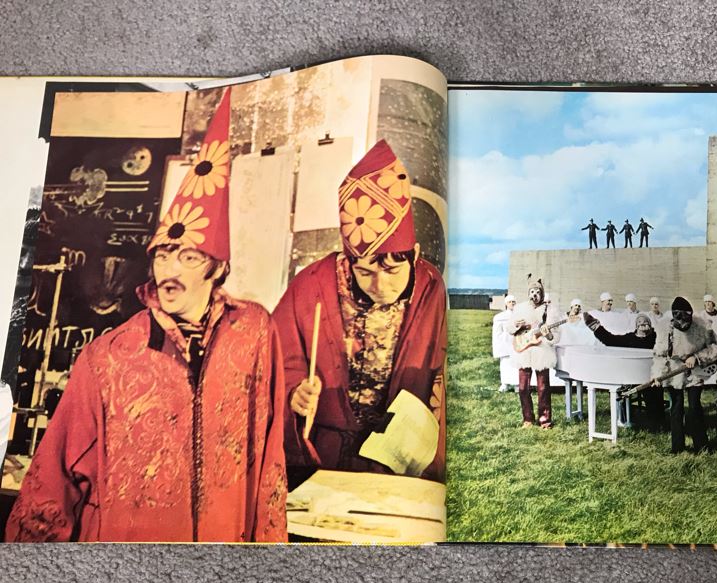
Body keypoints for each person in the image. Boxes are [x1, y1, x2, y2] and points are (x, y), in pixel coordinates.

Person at [6, 89, 288, 543]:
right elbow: (52, 481)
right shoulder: (110, 358)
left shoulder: (254, 333)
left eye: (189, 259)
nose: (170, 272)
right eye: (163, 256)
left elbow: (269, 457)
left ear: (217, 268)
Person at [273, 140, 447, 486]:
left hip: (400, 456)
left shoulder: (432, 288)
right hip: (323, 456)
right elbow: (276, 357)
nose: (379, 286)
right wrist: (295, 390)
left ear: (414, 255)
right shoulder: (311, 284)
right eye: (365, 273)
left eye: (393, 273)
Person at [651, 297, 717, 453]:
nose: (684, 326)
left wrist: (697, 358)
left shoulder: (703, 326)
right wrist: (657, 375)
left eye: (686, 323)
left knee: (694, 407)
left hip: (695, 372)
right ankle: (677, 448)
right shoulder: (665, 329)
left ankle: (702, 446)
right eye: (680, 324)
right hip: (674, 371)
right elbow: (659, 355)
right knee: (676, 409)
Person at [587, 312, 665, 429]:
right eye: (639, 322)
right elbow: (610, 340)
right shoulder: (630, 338)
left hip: (651, 376)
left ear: (650, 325)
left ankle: (657, 422)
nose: (642, 323)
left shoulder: (656, 338)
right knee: (623, 389)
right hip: (632, 376)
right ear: (636, 326)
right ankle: (624, 418)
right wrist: (596, 328)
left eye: (645, 322)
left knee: (655, 391)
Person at [508, 276, 561, 429]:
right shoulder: (520, 308)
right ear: (528, 293)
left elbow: (555, 335)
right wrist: (516, 325)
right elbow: (510, 327)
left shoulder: (549, 310)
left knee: (543, 387)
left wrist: (548, 335)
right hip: (523, 349)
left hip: (542, 351)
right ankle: (528, 419)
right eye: (532, 291)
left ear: (542, 294)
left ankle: (545, 420)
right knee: (523, 387)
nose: (535, 294)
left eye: (538, 292)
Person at [492, 294, 518, 392]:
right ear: (506, 304)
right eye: (510, 302)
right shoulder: (500, 317)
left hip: (516, 344)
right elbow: (497, 333)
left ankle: (517, 384)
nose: (512, 304)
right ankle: (505, 384)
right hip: (505, 344)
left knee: (516, 365)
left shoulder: (518, 315)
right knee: (505, 365)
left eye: (513, 302)